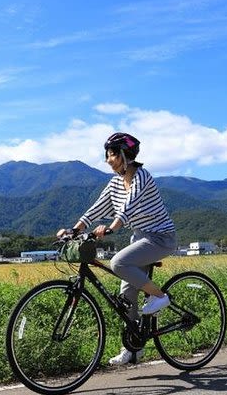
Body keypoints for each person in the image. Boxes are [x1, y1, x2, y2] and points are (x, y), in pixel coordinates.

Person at [58, 132, 177, 365]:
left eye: (112, 154)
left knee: (118, 263)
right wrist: (74, 229)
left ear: (125, 155)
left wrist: (111, 228)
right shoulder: (114, 183)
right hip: (140, 238)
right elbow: (96, 209)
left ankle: (161, 296)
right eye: (107, 155)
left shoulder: (142, 176)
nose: (108, 160)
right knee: (126, 295)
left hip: (161, 237)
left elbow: (129, 206)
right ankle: (133, 349)